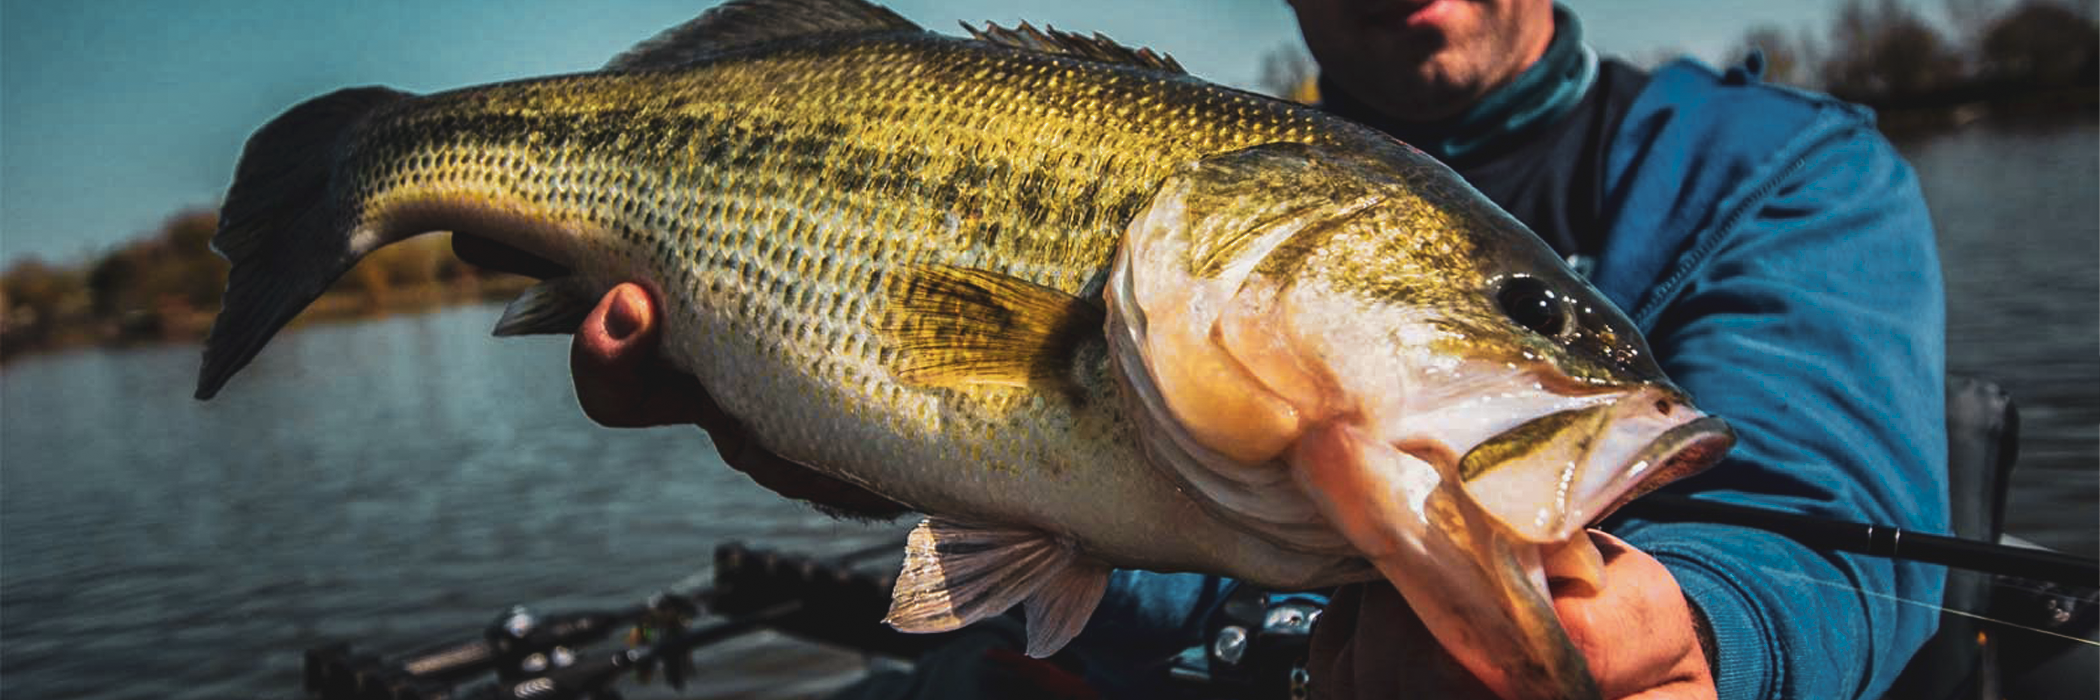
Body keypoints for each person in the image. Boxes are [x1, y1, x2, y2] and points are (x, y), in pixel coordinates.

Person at [459, 0, 1950, 697]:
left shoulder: (1783, 170)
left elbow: (1834, 521)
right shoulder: (1218, 156)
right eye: (1518, 313)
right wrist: (857, 445)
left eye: (1530, 307)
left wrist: (1703, 631)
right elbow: (1043, 504)